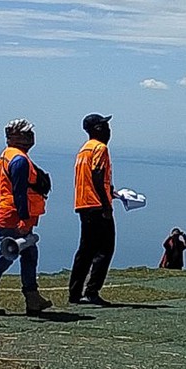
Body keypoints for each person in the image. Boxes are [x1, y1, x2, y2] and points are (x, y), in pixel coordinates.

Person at [0, 120, 53, 316]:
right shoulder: (18, 160)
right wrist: (24, 220)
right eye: (26, 134)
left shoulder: (8, 156)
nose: (30, 137)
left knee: (29, 254)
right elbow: (19, 193)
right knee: (3, 257)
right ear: (16, 137)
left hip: (11, 213)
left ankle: (32, 296)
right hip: (14, 216)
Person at [69, 114, 117, 306]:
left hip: (83, 204)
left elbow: (90, 178)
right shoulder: (100, 148)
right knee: (105, 249)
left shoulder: (83, 150)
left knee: (85, 250)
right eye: (105, 126)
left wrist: (110, 191)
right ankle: (92, 291)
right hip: (97, 206)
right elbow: (97, 175)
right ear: (97, 129)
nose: (109, 130)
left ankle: (74, 293)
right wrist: (106, 205)